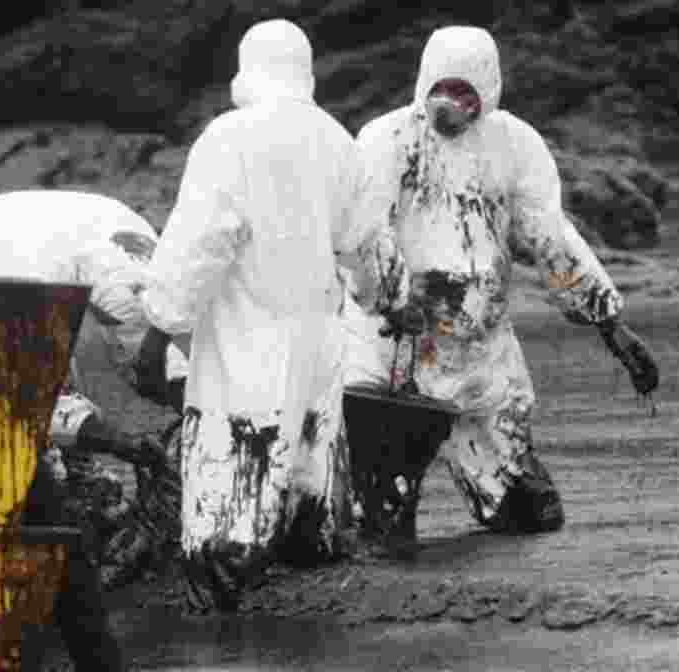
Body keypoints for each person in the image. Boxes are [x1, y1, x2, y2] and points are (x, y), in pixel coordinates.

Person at [341, 26, 660, 537]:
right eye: (442, 88)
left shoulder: (515, 143)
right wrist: (394, 295)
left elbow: (550, 236)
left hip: (482, 357)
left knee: (531, 517)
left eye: (467, 92)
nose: (452, 103)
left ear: (488, 92)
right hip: (393, 352)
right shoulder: (386, 141)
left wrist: (610, 324)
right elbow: (361, 232)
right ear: (424, 83)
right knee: (382, 526)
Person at [143, 19, 412, 612]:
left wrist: (160, 324)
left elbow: (201, 242)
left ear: (247, 67)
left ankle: (230, 593)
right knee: (309, 462)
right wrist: (388, 300)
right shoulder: (337, 140)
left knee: (233, 474)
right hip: (318, 335)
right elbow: (363, 242)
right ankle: (308, 588)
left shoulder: (228, 137)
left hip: (248, 334)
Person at [0, 189, 193, 672]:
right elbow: (22, 395)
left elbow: (152, 360)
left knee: (73, 443)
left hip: (50, 257)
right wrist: (117, 439)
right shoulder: (26, 286)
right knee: (16, 456)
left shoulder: (142, 275)